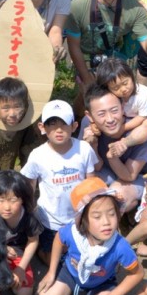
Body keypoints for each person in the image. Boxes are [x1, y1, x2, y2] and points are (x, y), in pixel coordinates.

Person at [32, 177, 143, 295]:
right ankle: (66, 290)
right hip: (70, 273)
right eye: (97, 217)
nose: (106, 222)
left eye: (111, 214)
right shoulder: (73, 232)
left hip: (102, 283)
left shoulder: (120, 245)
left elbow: (138, 273)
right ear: (82, 220)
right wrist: (51, 272)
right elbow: (58, 239)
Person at [20, 99, 98, 264]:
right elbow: (28, 188)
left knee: (88, 257)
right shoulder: (38, 155)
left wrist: (90, 212)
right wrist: (31, 215)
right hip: (50, 221)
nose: (59, 130)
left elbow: (91, 183)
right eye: (52, 124)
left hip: (79, 218)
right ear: (42, 128)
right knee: (55, 260)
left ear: (75, 126)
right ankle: (40, 248)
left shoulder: (84, 149)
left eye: (64, 124)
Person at [82, 84, 147, 211]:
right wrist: (92, 146)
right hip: (105, 171)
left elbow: (129, 176)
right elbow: (95, 166)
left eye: (114, 110)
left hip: (137, 177)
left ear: (122, 107)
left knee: (117, 195)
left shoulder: (140, 132)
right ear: (90, 116)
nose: (110, 119)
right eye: (101, 114)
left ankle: (112, 222)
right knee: (78, 181)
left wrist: (113, 158)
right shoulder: (87, 125)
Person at [93, 58, 147, 146]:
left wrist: (123, 128)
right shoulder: (111, 96)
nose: (123, 89)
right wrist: (95, 124)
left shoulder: (143, 95)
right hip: (124, 115)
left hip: (146, 115)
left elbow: (141, 117)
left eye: (125, 83)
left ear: (132, 77)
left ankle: (126, 143)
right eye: (116, 88)